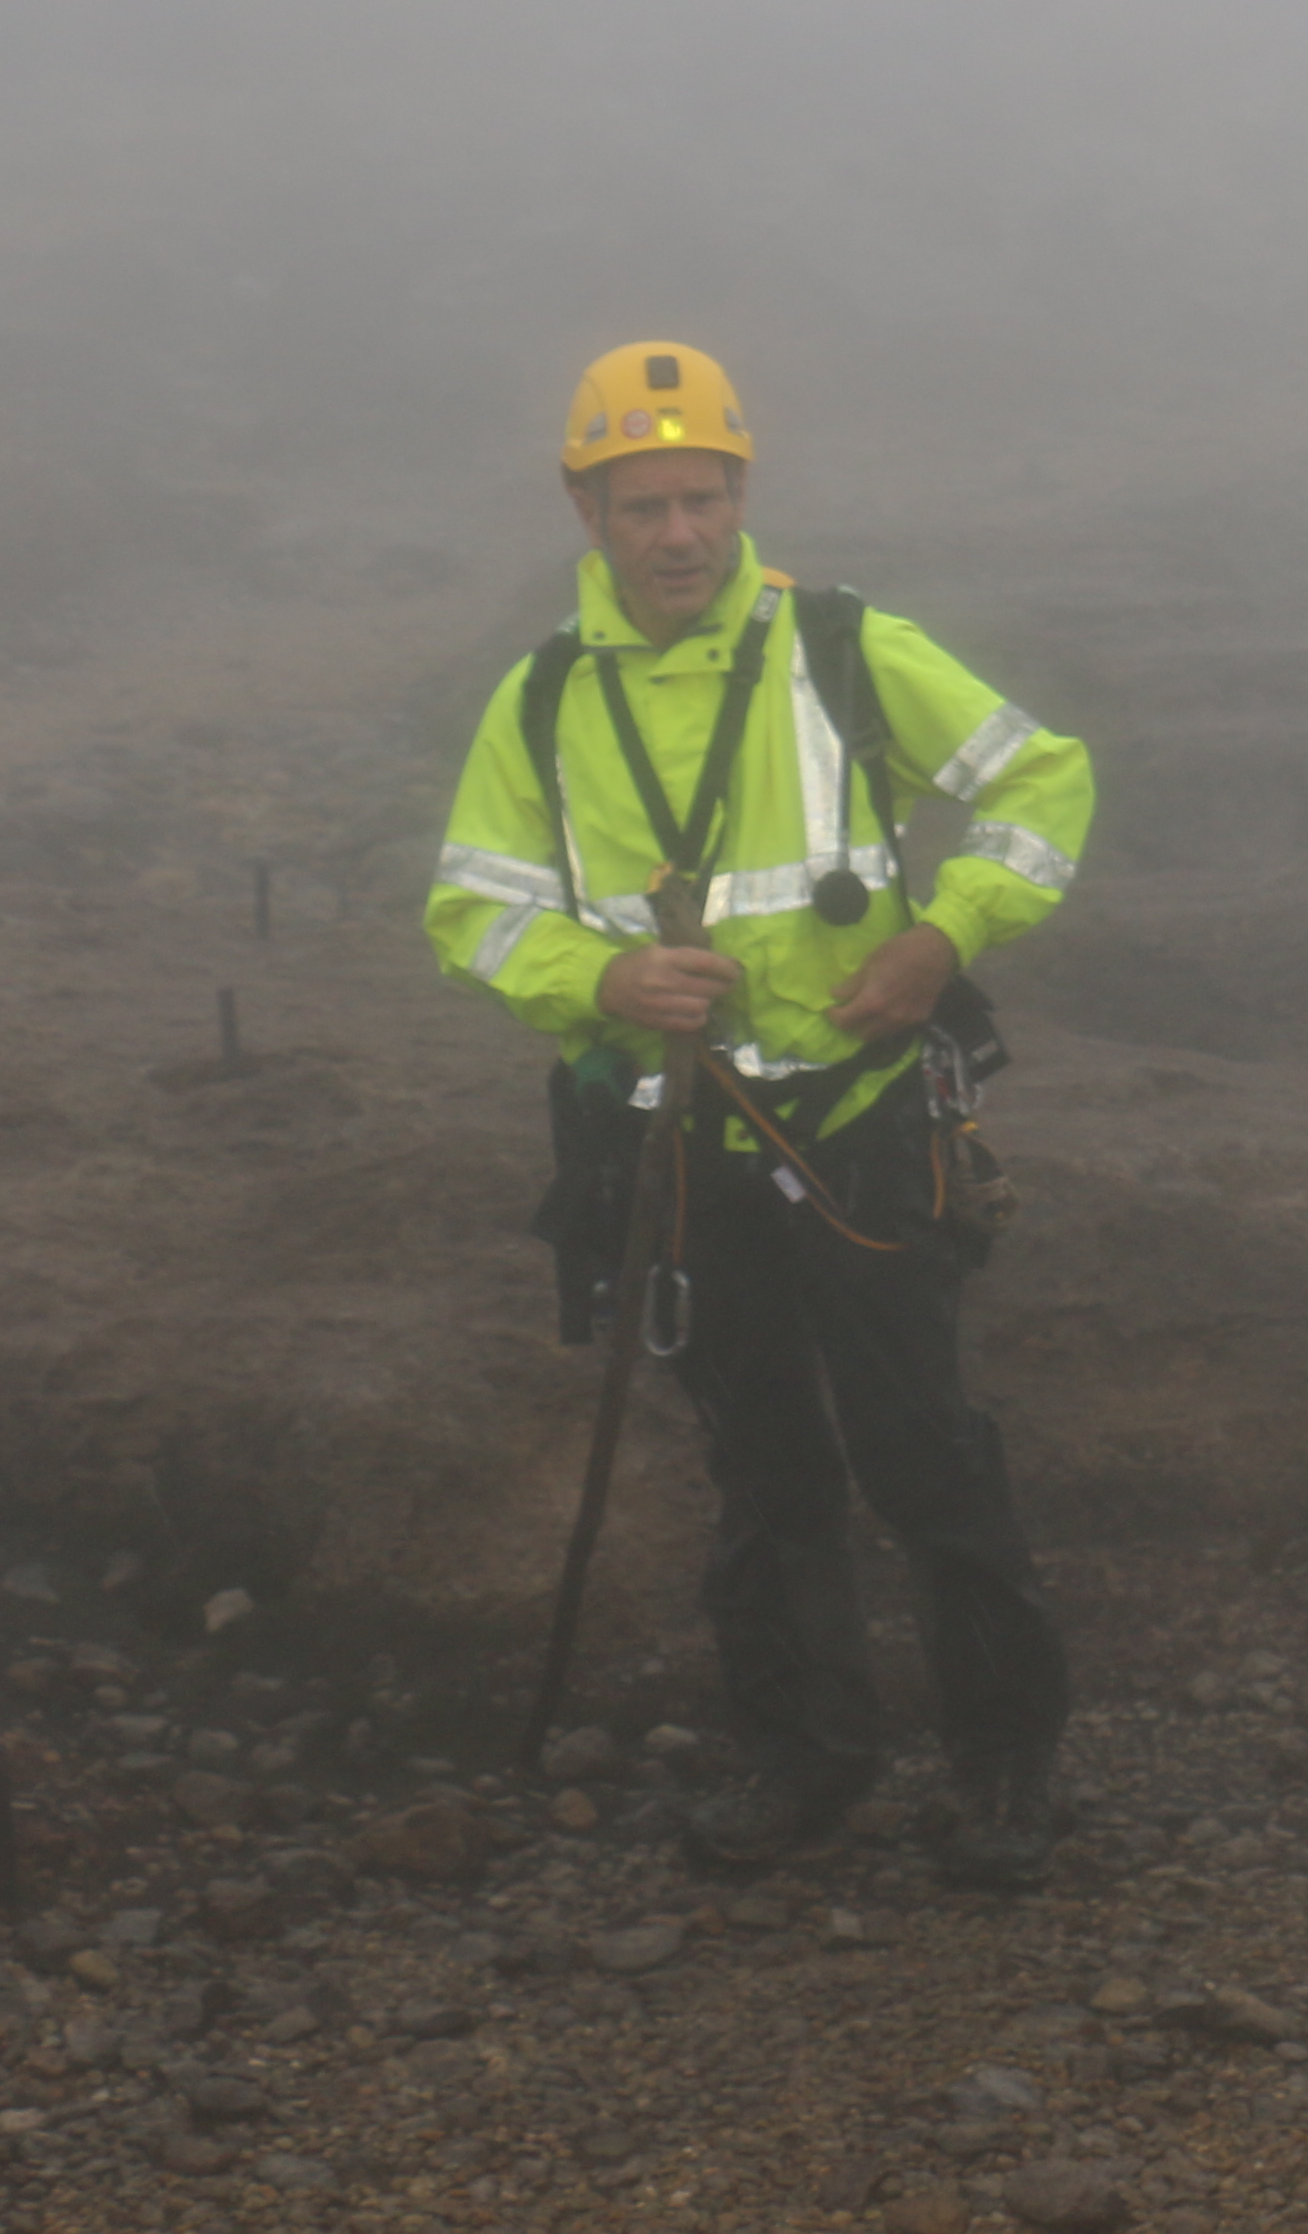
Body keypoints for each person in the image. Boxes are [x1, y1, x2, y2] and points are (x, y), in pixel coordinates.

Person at [421, 341, 1099, 1886]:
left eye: (705, 499)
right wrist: (602, 982)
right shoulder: (542, 701)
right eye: (644, 505)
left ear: (741, 496)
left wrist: (945, 939)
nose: (680, 534)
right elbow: (473, 909)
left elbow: (1042, 783)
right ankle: (805, 1761)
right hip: (675, 1148)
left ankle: (1005, 1767)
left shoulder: (843, 647)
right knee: (762, 1466)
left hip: (862, 1130)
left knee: (924, 1453)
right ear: (587, 513)